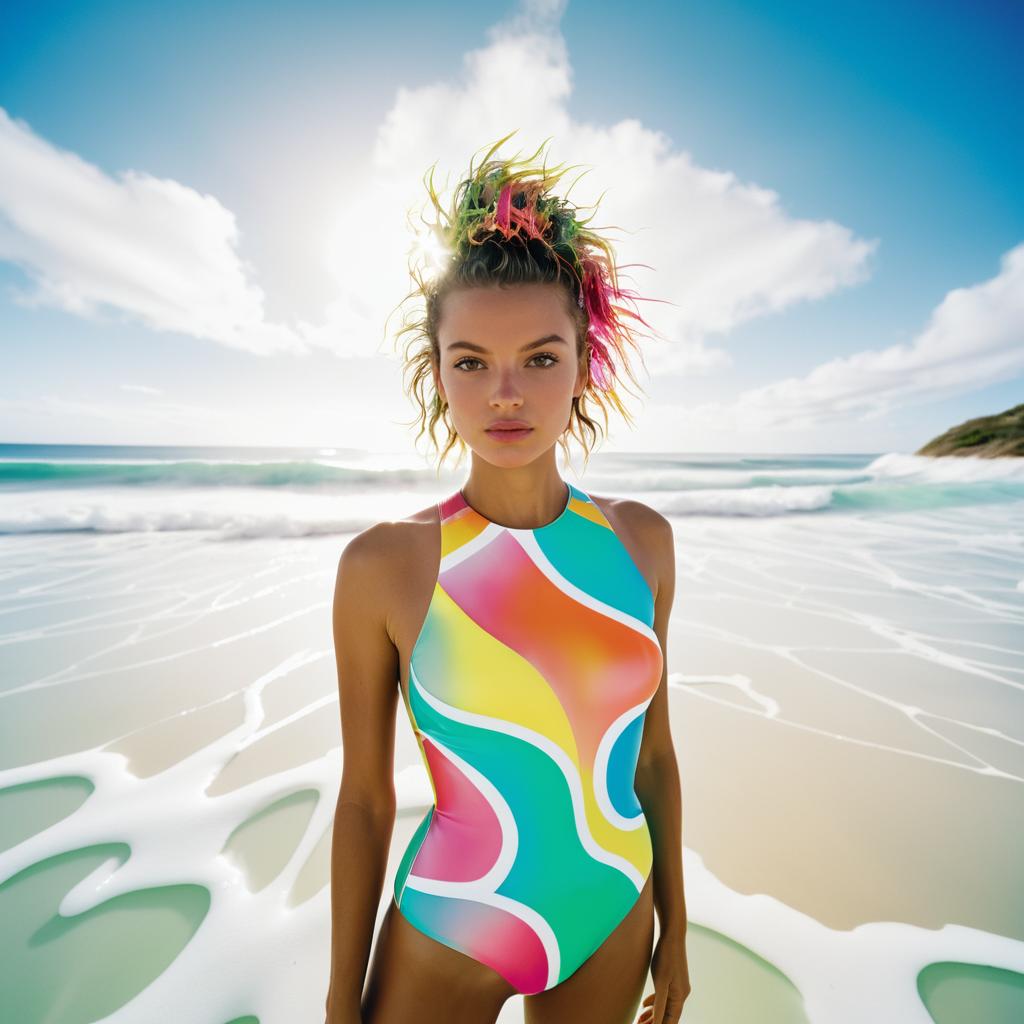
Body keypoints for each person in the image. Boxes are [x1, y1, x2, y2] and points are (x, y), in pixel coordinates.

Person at [325, 132, 690, 1024]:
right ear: (438, 375)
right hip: (458, 924)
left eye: (539, 357)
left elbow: (654, 757)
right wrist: (340, 1001)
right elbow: (367, 798)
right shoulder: (384, 566)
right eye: (471, 364)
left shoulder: (642, 544)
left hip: (614, 910)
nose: (506, 395)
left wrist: (677, 931)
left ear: (583, 363)